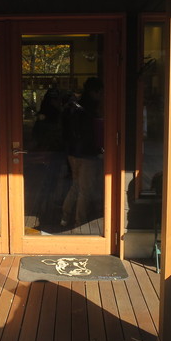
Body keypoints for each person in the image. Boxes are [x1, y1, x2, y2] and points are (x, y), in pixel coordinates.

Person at [60, 77, 104, 228]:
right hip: (87, 154)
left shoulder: (74, 105)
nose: (101, 96)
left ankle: (65, 217)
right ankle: (80, 222)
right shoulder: (90, 109)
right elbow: (91, 134)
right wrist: (98, 150)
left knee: (76, 186)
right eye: (100, 92)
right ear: (94, 92)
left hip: (72, 152)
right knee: (85, 190)